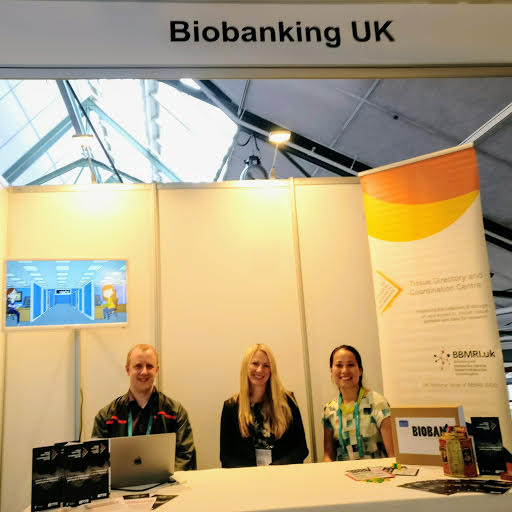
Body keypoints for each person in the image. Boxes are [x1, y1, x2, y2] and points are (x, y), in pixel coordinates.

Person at [92, 343, 197, 470]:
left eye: (149, 366)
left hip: (164, 487)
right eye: (138, 366)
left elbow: (185, 457)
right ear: (127, 369)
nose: (144, 372)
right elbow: (97, 461)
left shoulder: (175, 413)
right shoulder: (106, 416)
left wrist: (166, 481)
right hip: (120, 488)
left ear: (156, 370)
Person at [220, 343, 309, 468]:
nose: (260, 370)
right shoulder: (231, 407)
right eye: (255, 364)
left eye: (266, 365)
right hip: (247, 480)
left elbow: (301, 449)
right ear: (246, 366)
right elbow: (226, 457)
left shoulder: (288, 401)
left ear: (272, 370)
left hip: (283, 476)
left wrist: (275, 469)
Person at [323, 344, 394, 461]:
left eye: (350, 365)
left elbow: (393, 454)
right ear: (331, 370)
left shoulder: (377, 402)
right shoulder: (329, 409)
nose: (345, 370)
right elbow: (328, 455)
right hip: (342, 476)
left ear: (360, 370)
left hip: (378, 476)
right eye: (339, 365)